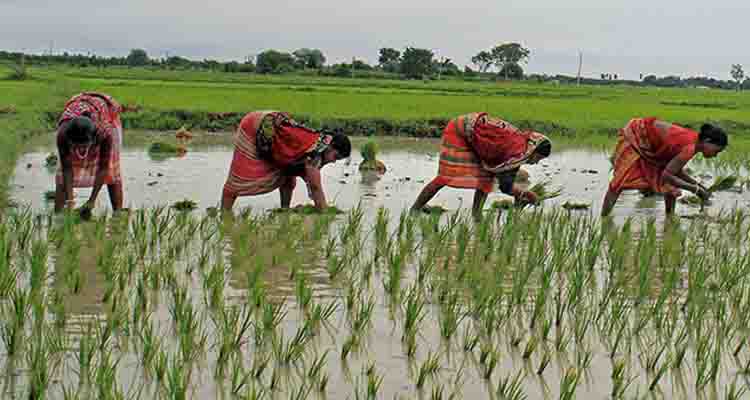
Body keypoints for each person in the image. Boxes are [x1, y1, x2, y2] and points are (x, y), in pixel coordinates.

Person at [411, 112, 552, 219]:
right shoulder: (516, 151)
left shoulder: (521, 146)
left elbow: (501, 176)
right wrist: (526, 194)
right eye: (538, 158)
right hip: (460, 131)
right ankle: (415, 209)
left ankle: (476, 215)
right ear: (533, 150)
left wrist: (520, 196)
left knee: (486, 178)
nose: (536, 162)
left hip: (478, 138)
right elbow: (505, 186)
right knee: (446, 175)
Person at [221, 111, 351, 211]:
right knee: (238, 181)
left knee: (288, 174)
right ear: (330, 147)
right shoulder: (314, 155)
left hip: (273, 121)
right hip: (255, 126)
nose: (334, 161)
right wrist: (324, 213)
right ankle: (224, 214)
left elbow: (309, 181)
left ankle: (285, 210)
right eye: (336, 157)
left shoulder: (321, 143)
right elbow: (315, 187)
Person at [601, 118, 727, 216]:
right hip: (638, 136)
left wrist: (699, 186)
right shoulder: (690, 148)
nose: (715, 155)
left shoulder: (693, 144)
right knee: (619, 183)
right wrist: (695, 189)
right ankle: (604, 219)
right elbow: (667, 175)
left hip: (651, 146)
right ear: (707, 141)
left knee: (670, 187)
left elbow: (676, 171)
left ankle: (669, 218)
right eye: (716, 151)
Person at [55, 92, 124, 215]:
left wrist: (91, 201)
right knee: (61, 178)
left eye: (84, 146)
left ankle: (118, 212)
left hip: (104, 114)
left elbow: (103, 168)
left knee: (112, 173)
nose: (81, 150)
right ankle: (58, 214)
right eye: (76, 146)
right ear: (70, 141)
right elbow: (67, 168)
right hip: (80, 126)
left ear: (93, 139)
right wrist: (71, 201)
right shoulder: (62, 134)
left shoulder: (104, 133)